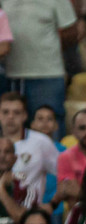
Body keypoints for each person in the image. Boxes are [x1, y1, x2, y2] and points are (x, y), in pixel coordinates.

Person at [2, 0, 78, 135]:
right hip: (12, 75)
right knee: (14, 133)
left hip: (47, 75)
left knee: (49, 130)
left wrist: (46, 52)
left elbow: (71, 31)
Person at [0, 93, 58, 210]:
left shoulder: (41, 142)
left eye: (16, 112)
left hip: (28, 216)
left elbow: (64, 174)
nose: (10, 117)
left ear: (25, 115)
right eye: (5, 112)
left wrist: (52, 204)